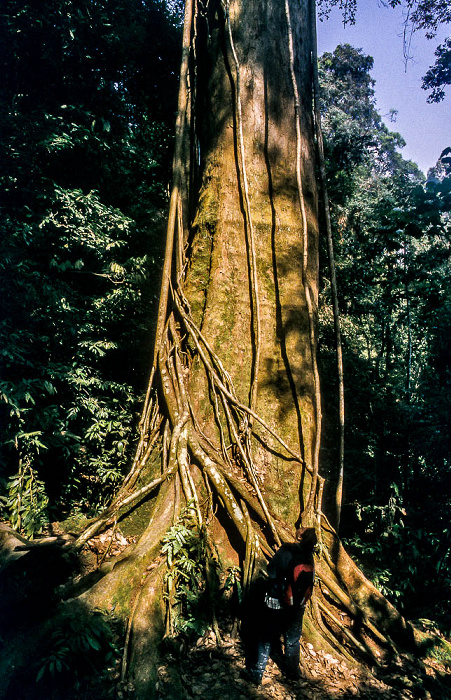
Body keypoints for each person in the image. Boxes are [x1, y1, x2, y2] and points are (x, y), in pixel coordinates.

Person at [244, 527, 317, 685]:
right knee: (292, 640)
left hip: (276, 601)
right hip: (298, 605)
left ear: (298, 538)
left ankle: (257, 673)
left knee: (266, 636)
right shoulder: (309, 556)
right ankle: (293, 674)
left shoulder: (286, 551)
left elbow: (271, 572)